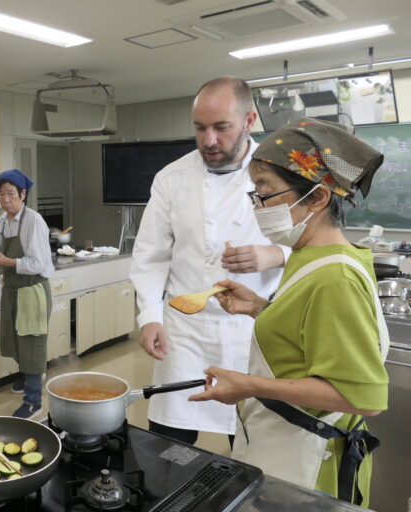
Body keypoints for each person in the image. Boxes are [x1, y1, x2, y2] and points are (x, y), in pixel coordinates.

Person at [189, 118, 389, 508]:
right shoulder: (311, 255)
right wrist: (260, 308)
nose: (258, 207)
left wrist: (250, 385)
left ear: (316, 198)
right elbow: (312, 333)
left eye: (265, 193)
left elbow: (364, 397)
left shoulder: (335, 277)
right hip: (282, 444)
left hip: (310, 461)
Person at [129, 77, 287, 445]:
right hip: (183, 334)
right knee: (167, 446)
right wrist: (149, 317)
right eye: (200, 128)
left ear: (249, 121)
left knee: (251, 441)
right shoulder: (172, 179)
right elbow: (150, 257)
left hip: (252, 332)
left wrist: (274, 254)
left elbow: (310, 243)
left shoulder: (278, 175)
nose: (209, 140)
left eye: (221, 127)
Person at [0, 169, 53, 419]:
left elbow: (37, 263)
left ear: (23, 194)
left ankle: (33, 401)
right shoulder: (2, 220)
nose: (6, 199)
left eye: (11, 194)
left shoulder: (33, 221)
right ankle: (28, 378)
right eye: (1, 194)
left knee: (31, 343)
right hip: (11, 289)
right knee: (13, 337)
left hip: (32, 289)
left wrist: (7, 261)